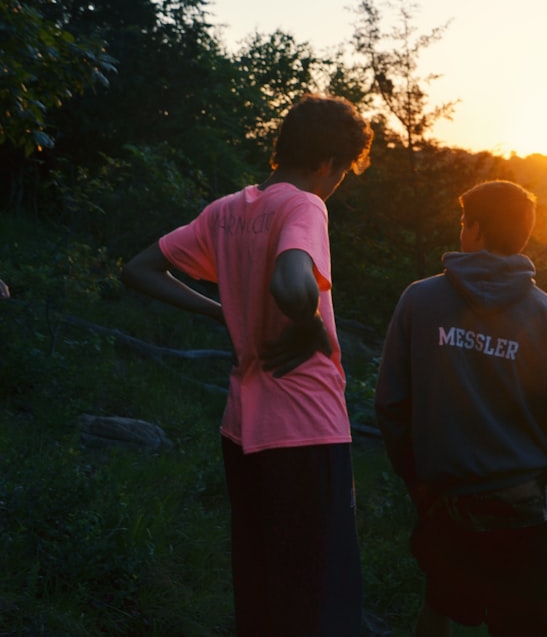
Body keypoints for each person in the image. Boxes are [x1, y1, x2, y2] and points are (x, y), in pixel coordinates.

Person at [121, 93, 373, 636]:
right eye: (345, 170)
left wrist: (221, 312)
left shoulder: (228, 211)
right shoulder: (305, 205)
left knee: (261, 589)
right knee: (321, 599)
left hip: (242, 430)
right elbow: (290, 281)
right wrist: (307, 322)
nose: (339, 182)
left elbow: (139, 269)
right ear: (329, 162)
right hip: (307, 430)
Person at [374, 179, 547, 637]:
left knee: (440, 605)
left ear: (474, 229)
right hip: (520, 505)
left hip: (444, 495)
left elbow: (392, 404)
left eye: (461, 223)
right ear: (523, 236)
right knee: (523, 625)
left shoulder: (420, 300)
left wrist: (415, 479)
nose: (459, 232)